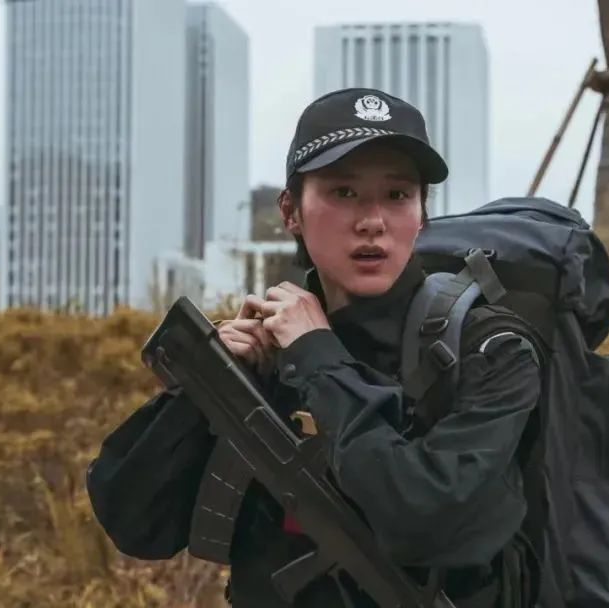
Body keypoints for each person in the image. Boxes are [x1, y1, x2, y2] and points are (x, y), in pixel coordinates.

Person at [86, 88, 546, 607]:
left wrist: (319, 359)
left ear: (422, 214)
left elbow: (423, 519)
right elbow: (134, 522)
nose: (372, 220)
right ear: (291, 211)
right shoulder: (271, 346)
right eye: (344, 192)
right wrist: (213, 388)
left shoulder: (490, 349)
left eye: (398, 195)